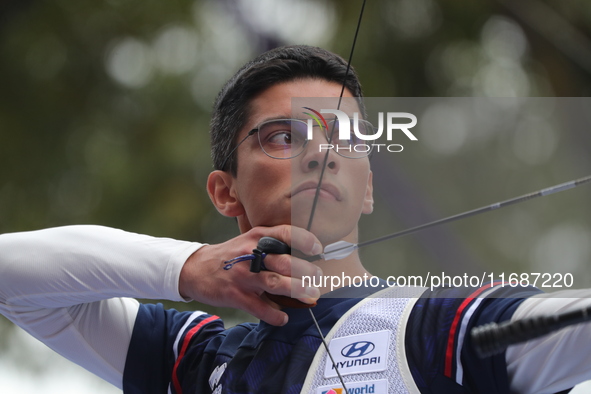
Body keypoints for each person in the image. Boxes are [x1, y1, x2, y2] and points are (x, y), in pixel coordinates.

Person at [1, 45, 591, 394]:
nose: (320, 151)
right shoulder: (199, 361)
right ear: (225, 193)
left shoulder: (439, 330)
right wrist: (188, 269)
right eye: (283, 136)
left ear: (367, 188)